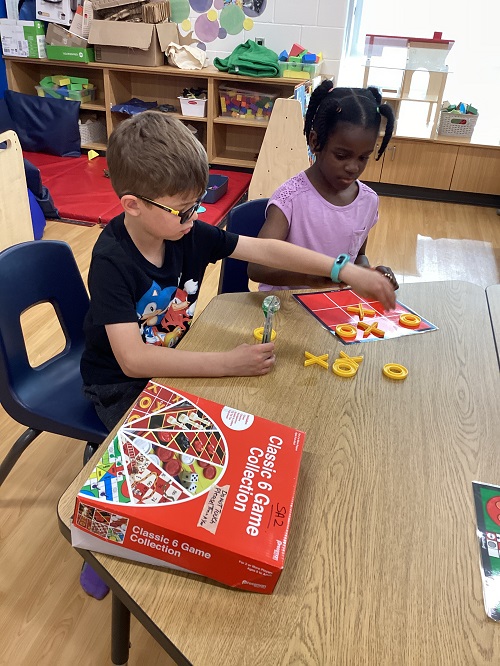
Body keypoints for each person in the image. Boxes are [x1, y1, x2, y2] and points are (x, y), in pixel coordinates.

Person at [79, 110, 397, 598]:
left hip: (174, 362)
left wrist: (345, 271)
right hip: (120, 382)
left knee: (241, 428)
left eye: (198, 205)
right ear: (133, 205)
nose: (195, 218)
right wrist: (224, 362)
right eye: (182, 209)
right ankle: (103, 542)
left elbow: (268, 252)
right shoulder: (112, 260)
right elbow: (132, 361)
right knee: (172, 466)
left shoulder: (184, 232)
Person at [247, 81, 398, 291]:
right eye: (341, 156)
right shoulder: (290, 199)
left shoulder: (368, 201)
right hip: (286, 309)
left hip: (334, 309)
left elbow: (359, 256)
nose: (353, 167)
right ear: (314, 141)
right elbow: (256, 268)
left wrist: (370, 273)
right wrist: (309, 277)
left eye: (363, 157)